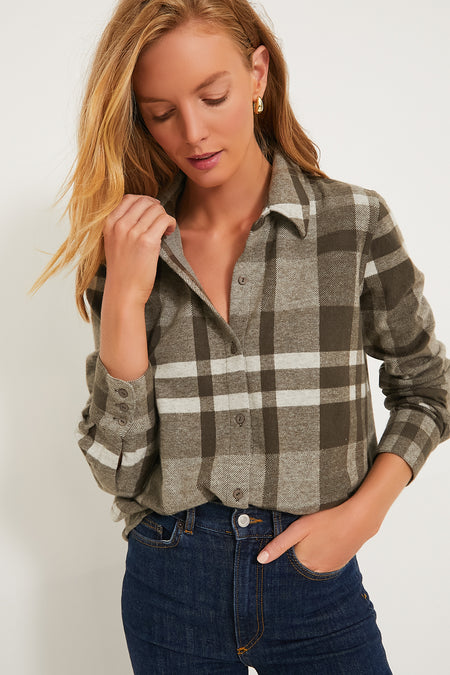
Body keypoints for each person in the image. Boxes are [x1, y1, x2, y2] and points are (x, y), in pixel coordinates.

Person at [33, 0, 449, 672]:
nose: (192, 132)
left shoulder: (352, 223)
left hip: (315, 578)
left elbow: (428, 388)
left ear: (257, 74)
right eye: (161, 113)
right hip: (171, 579)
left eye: (212, 96)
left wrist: (362, 516)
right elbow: (118, 469)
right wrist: (126, 299)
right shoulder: (132, 248)